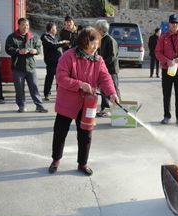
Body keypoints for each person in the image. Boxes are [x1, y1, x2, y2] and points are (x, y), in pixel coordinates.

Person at [48, 26, 119, 176]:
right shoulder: (68, 56)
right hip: (67, 102)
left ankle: (82, 163)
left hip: (87, 104)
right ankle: (56, 160)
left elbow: (105, 78)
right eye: (93, 43)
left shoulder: (98, 60)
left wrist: (112, 93)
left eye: (97, 43)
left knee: (86, 134)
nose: (95, 47)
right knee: (60, 132)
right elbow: (61, 78)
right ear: (84, 42)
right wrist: (80, 84)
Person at [5, 18, 48, 113]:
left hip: (31, 67)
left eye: (27, 25)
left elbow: (39, 49)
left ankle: (39, 106)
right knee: (19, 89)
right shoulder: (12, 37)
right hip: (18, 68)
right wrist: (18, 51)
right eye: (24, 25)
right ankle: (22, 106)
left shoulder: (33, 36)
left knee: (35, 87)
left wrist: (35, 51)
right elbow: (8, 49)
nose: (26, 27)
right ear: (19, 26)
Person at [95, 19, 120, 117]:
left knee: (114, 89)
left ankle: (118, 109)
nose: (95, 30)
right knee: (103, 89)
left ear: (102, 29)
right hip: (103, 69)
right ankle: (105, 109)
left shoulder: (110, 40)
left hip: (111, 69)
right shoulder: (100, 39)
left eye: (97, 29)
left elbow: (113, 56)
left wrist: (102, 64)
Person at [41, 22, 69, 101]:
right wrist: (61, 43)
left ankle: (59, 93)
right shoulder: (45, 37)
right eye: (55, 28)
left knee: (59, 78)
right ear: (51, 29)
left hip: (58, 61)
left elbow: (57, 45)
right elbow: (53, 45)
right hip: (51, 62)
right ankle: (47, 93)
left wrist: (63, 44)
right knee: (49, 78)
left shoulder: (54, 37)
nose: (56, 30)